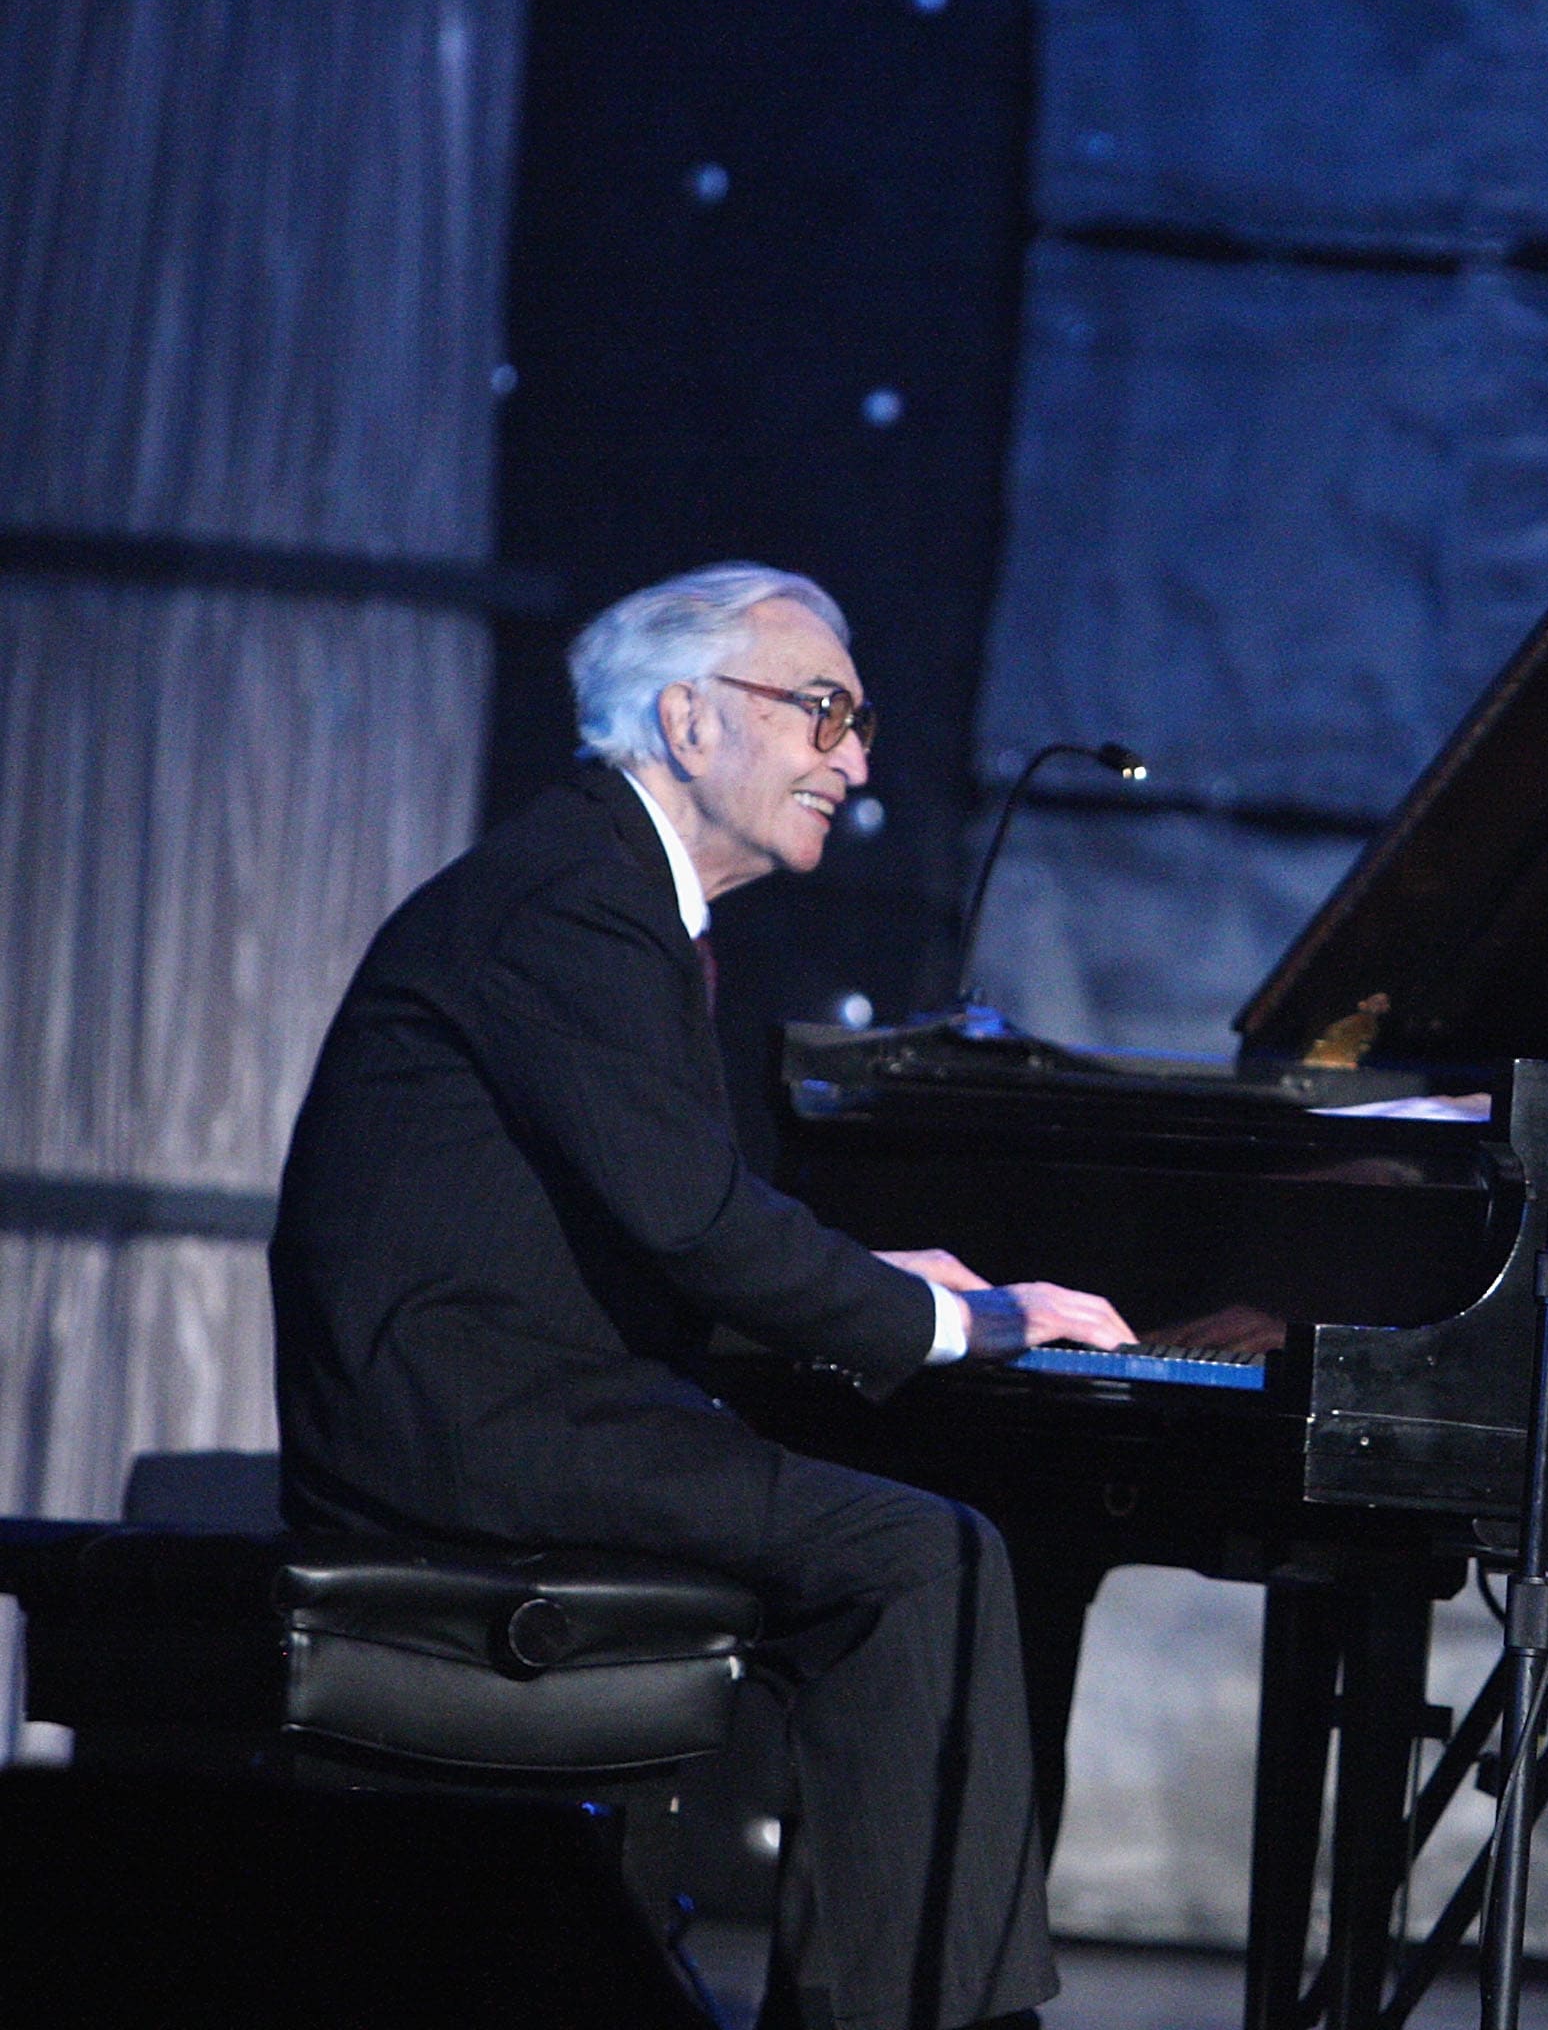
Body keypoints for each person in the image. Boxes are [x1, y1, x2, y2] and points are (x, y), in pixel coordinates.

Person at [271, 563, 1137, 2030]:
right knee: (926, 1558)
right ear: (686, 720)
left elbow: (640, 1213)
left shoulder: (600, 888)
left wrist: (875, 1282)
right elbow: (691, 1220)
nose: (855, 759)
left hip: (519, 1396)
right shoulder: (578, 902)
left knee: (921, 1546)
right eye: (821, 711)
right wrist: (963, 1321)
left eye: (856, 722)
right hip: (470, 1428)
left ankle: (891, 2002)